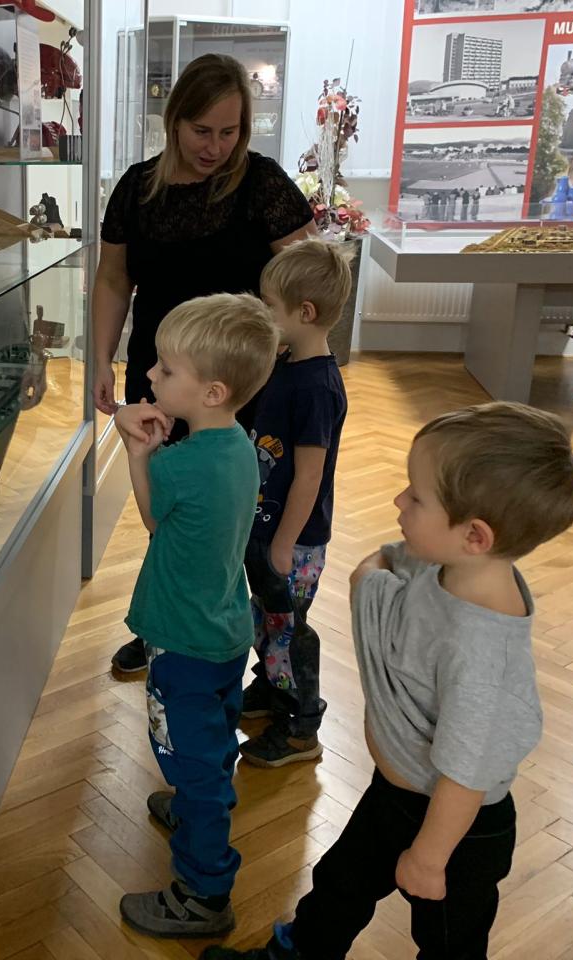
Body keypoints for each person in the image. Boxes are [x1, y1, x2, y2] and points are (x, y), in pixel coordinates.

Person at [202, 401, 573, 960]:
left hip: (456, 830)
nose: (399, 501)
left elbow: (467, 772)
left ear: (475, 536)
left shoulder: (484, 660)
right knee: (338, 889)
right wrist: (373, 577)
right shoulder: (448, 567)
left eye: (417, 496)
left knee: (449, 942)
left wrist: (430, 857)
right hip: (395, 793)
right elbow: (390, 566)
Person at [93, 52, 316, 677]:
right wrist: (101, 358)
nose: (215, 147)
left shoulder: (261, 182)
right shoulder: (137, 188)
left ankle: (233, 633)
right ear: (174, 121)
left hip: (241, 380)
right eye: (201, 131)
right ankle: (165, 621)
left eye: (230, 131)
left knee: (235, 511)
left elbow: (310, 280)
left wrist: (295, 354)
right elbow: (113, 280)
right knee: (169, 501)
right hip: (165, 371)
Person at [112, 293, 280, 939]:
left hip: (183, 642)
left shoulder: (180, 463)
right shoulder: (238, 445)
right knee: (211, 738)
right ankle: (195, 797)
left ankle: (202, 893)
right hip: (223, 631)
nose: (151, 375)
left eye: (165, 368)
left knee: (190, 756)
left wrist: (137, 452)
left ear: (211, 392)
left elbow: (154, 518)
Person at [239, 239, 353, 768]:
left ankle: (302, 723)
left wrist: (284, 544)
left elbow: (310, 476)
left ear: (304, 313)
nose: (263, 314)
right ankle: (270, 688)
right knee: (268, 618)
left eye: (270, 307)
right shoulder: (286, 364)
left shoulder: (318, 387)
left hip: (295, 540)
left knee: (288, 626)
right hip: (265, 526)